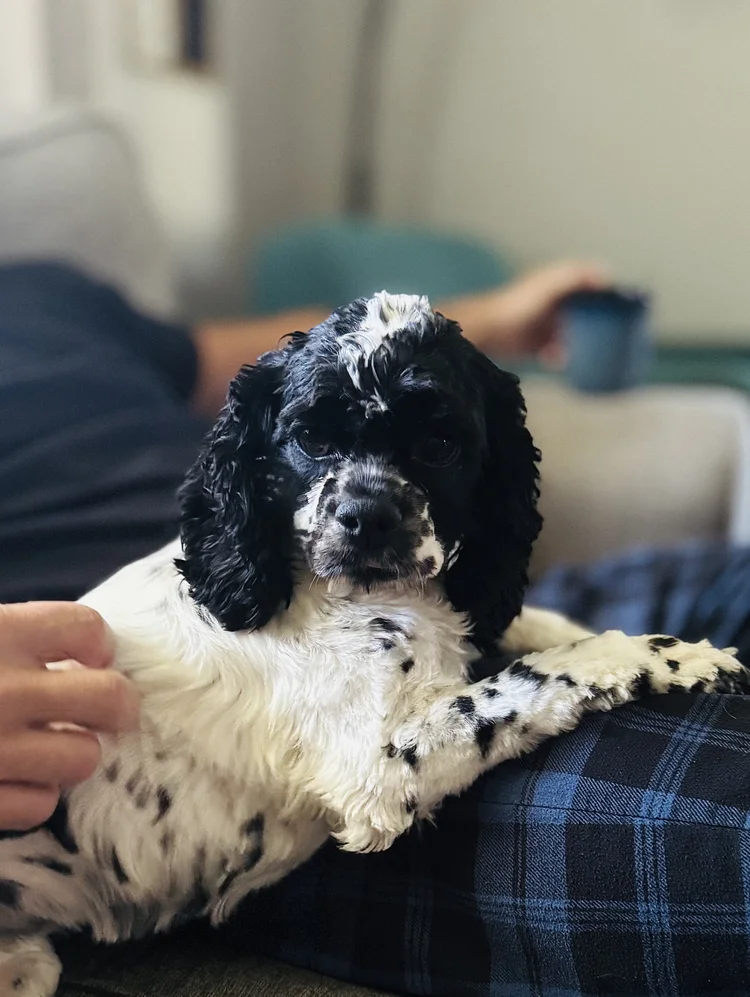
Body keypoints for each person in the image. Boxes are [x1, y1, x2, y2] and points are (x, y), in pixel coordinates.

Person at [3, 261, 750, 997]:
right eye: (317, 441)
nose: (365, 503)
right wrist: (599, 665)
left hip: (442, 605)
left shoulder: (49, 292)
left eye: (436, 448)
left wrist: (496, 319)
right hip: (308, 712)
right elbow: (379, 788)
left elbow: (267, 366)